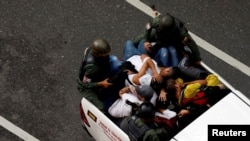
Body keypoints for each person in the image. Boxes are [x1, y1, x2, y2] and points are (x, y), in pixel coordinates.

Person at [123, 13, 201, 67]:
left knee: (174, 53)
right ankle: (134, 47)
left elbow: (192, 44)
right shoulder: (157, 21)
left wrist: (197, 58)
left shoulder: (181, 33)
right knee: (139, 39)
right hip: (158, 35)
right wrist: (146, 40)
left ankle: (175, 69)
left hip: (172, 40)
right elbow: (148, 28)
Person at [164, 75, 231, 129]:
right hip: (211, 99)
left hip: (205, 110)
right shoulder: (188, 90)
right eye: (177, 82)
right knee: (212, 78)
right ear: (176, 85)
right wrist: (187, 83)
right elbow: (204, 81)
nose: (179, 82)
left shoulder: (180, 103)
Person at [77, 38, 122, 112]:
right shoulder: (92, 68)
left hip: (100, 67)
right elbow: (84, 84)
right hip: (87, 86)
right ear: (98, 54)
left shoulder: (94, 52)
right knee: (101, 107)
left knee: (117, 64)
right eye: (106, 53)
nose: (108, 54)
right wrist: (101, 83)